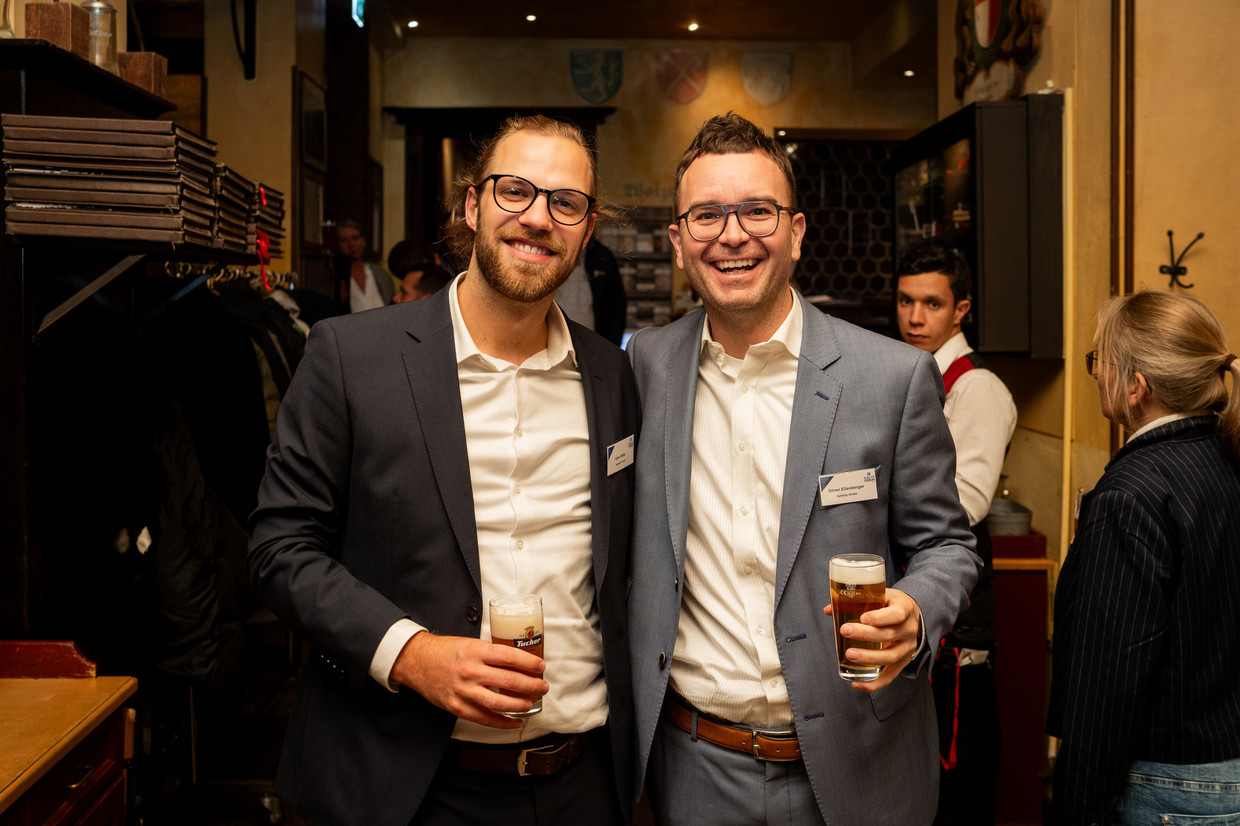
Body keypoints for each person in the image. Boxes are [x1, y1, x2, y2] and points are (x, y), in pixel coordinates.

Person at [248, 115, 639, 826]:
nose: (537, 218)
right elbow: (280, 550)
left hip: (581, 784)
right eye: (514, 190)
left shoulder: (613, 375)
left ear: (586, 231)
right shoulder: (349, 358)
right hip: (405, 785)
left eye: (566, 203)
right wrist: (411, 654)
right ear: (472, 206)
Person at [627, 112, 981, 825]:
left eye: (758, 211)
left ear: (795, 231)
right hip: (694, 769)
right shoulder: (642, 368)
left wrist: (917, 611)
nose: (732, 235)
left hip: (859, 764)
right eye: (706, 215)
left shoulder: (892, 377)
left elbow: (948, 544)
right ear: (677, 242)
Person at [1047, 290, 1240, 825]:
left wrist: (1076, 810)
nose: (1094, 374)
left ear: (1136, 387)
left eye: (1100, 361)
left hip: (1168, 789)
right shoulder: (1224, 459)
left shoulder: (1132, 493)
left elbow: (1109, 679)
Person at [895, 243, 1017, 825]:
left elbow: (966, 503)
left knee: (957, 786)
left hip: (958, 620)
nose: (916, 317)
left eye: (932, 303)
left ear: (961, 309)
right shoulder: (908, 373)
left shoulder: (976, 387)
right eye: (905, 301)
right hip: (917, 602)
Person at [336, 219, 395, 311]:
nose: (351, 244)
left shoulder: (380, 273)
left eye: (355, 238)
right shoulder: (336, 277)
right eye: (344, 240)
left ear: (363, 241)